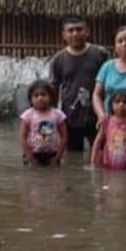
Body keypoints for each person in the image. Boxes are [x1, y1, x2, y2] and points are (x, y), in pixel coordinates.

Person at [49, 15, 108, 155]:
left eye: (79, 29)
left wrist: (108, 113)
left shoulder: (100, 54)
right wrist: (52, 117)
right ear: (64, 34)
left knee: (101, 154)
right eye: (70, 30)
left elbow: (109, 83)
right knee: (73, 159)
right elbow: (54, 89)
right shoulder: (58, 59)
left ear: (87, 31)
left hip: (97, 117)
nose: (75, 33)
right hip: (69, 119)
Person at [19, 79, 67, 167]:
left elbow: (64, 136)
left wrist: (58, 157)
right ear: (30, 99)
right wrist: (30, 157)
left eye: (43, 95)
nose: (40, 98)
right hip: (33, 153)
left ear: (51, 97)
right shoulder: (27, 115)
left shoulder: (58, 114)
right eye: (36, 96)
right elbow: (22, 138)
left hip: (53, 153)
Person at [90, 91, 126, 170]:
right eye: (117, 102)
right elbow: (98, 142)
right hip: (108, 165)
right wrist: (93, 162)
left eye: (125, 102)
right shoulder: (106, 121)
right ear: (111, 105)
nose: (121, 104)